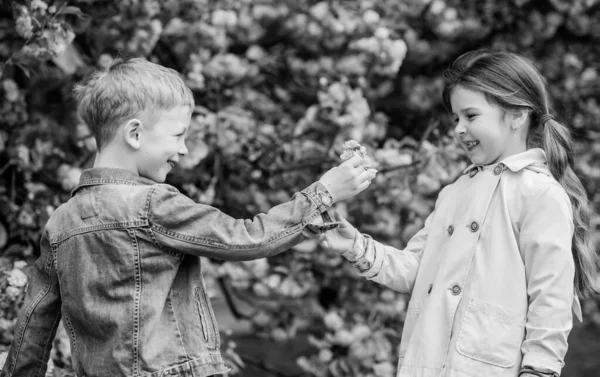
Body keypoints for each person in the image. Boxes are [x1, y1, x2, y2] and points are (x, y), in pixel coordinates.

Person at [0, 58, 374, 377]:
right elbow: (246, 238)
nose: (183, 149)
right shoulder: (154, 204)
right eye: (178, 135)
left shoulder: (61, 222)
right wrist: (323, 192)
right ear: (134, 133)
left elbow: (35, 320)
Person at [320, 50, 600, 377]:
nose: (458, 129)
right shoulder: (455, 192)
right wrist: (356, 245)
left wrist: (539, 371)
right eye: (455, 119)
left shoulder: (539, 194)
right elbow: (415, 270)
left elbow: (550, 300)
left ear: (517, 115)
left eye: (471, 115)